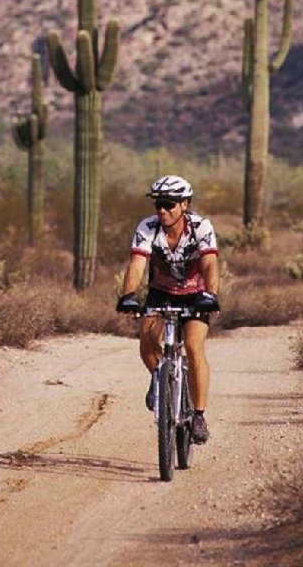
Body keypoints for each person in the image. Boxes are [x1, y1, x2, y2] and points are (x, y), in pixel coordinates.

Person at [116, 175, 219, 444]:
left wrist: (211, 294)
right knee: (147, 343)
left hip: (197, 294)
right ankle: (159, 378)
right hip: (161, 292)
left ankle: (198, 415)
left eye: (169, 204)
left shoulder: (201, 226)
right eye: (158, 205)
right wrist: (128, 295)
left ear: (184, 204)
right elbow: (137, 263)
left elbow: (209, 263)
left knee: (195, 346)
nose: (162, 210)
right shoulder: (148, 227)